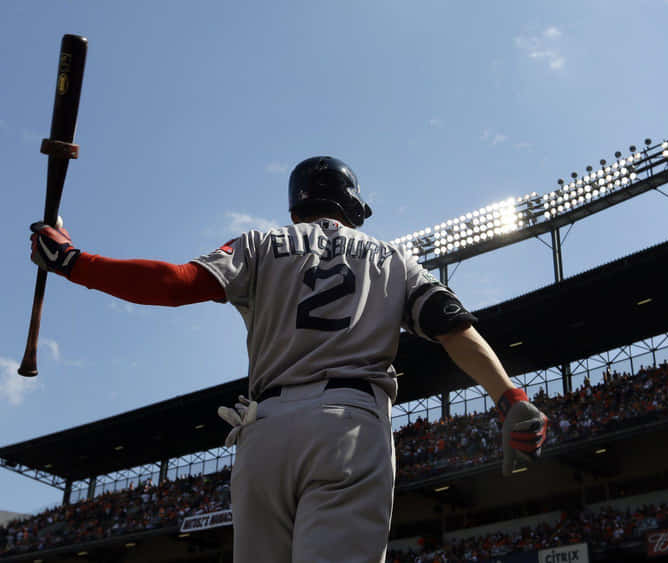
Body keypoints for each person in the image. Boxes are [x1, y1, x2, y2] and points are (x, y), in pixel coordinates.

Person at [28, 155, 548, 563]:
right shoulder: (393, 259)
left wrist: (73, 262)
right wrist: (511, 397)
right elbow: (453, 326)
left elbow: (175, 284)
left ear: (296, 209)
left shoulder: (258, 243)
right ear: (354, 207)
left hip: (267, 431)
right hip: (351, 426)